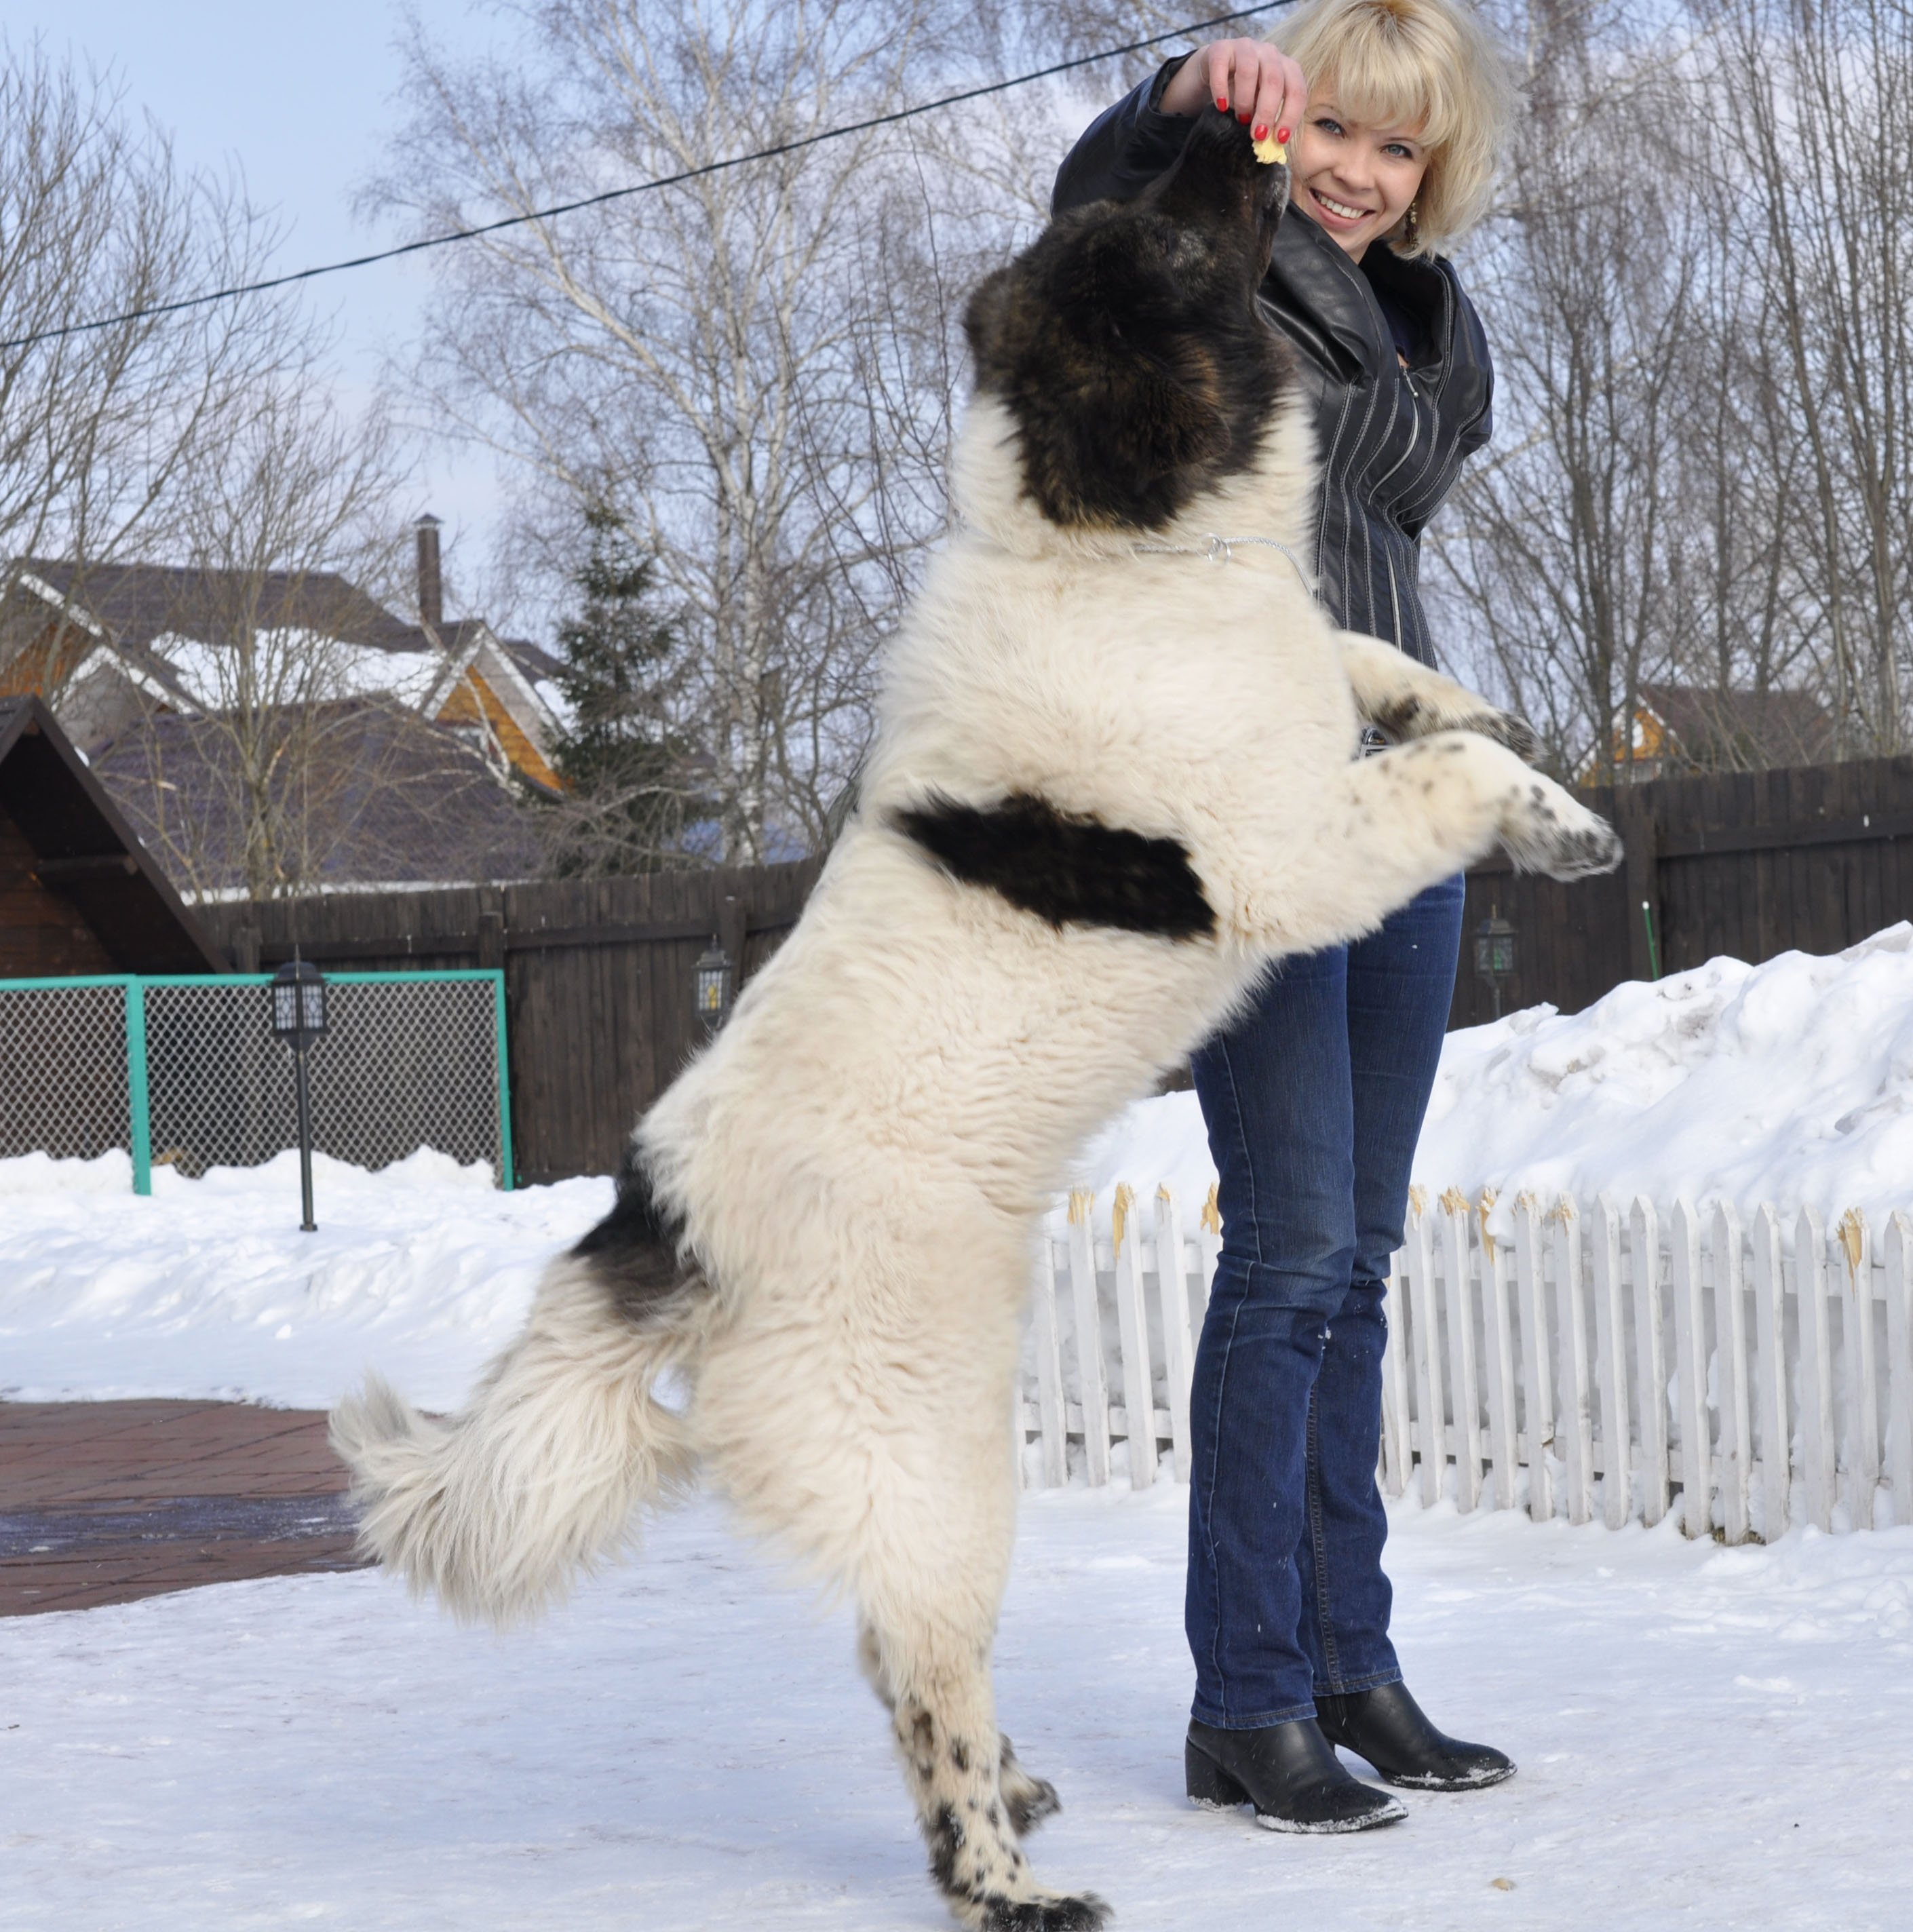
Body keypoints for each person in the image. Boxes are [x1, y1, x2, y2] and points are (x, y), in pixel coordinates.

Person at [1054, 0, 1522, 1834]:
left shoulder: (1424, 321)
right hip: (1243, 802)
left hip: (1390, 797)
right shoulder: (1206, 254)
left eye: (1395, 147)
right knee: (1291, 1252)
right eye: (1331, 126)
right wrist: (1180, 101)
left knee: (1359, 1265)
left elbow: (1383, 508)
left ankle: (1350, 1663)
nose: (1356, 168)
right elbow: (1096, 229)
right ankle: (1243, 1700)